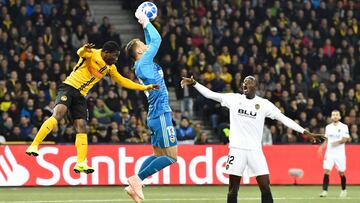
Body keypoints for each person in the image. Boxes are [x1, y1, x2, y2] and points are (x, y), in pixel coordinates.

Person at [181, 75, 325, 203]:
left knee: (265, 187)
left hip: (255, 151)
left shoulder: (264, 104)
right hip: (236, 150)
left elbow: (284, 119)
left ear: (255, 86)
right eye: (243, 82)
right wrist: (194, 83)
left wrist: (306, 132)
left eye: (248, 82)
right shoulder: (234, 99)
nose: (245, 84)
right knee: (232, 190)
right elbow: (210, 94)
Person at [25, 41, 159, 174]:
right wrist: (84, 48)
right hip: (68, 87)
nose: (116, 59)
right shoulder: (92, 53)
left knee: (82, 126)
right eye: (114, 56)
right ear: (106, 53)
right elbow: (80, 53)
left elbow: (123, 81)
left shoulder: (110, 67)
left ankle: (81, 163)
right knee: (58, 114)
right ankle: (35, 145)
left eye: (117, 56)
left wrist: (144, 87)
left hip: (80, 96)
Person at [124, 10, 177, 202]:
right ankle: (136, 179)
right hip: (161, 113)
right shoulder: (143, 62)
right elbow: (157, 40)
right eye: (142, 45)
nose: (146, 46)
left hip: (155, 114)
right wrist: (146, 21)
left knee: (158, 154)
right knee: (171, 157)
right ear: (139, 52)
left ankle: (133, 185)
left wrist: (142, 23)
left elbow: (150, 40)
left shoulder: (142, 64)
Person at [318, 110, 351, 198]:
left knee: (341, 172)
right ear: (331, 117)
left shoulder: (344, 126)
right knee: (326, 170)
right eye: (333, 115)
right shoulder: (328, 127)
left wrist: (337, 142)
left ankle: (344, 190)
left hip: (339, 153)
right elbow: (327, 140)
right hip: (330, 153)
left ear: (339, 117)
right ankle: (324, 191)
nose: (335, 116)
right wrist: (321, 147)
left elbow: (346, 138)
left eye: (337, 115)